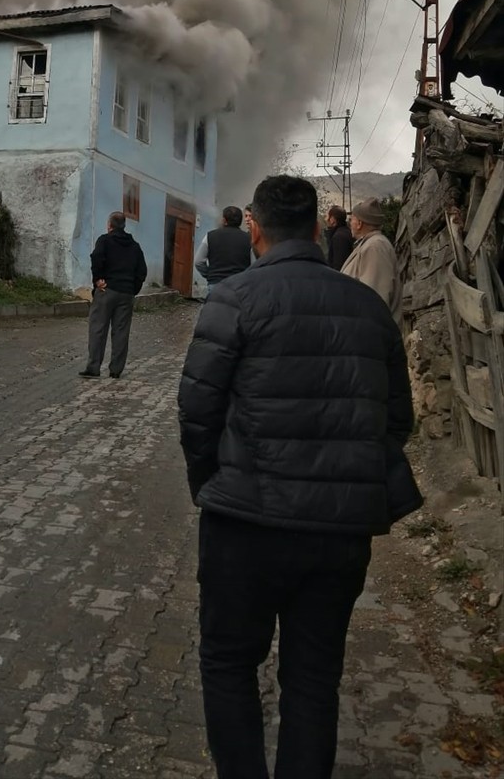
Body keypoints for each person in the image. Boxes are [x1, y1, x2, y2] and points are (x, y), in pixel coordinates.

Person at [178, 175, 421, 779]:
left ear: (254, 230)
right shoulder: (367, 307)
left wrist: (213, 487)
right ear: (318, 229)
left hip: (244, 527)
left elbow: (197, 414)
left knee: (229, 664)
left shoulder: (231, 302)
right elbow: (397, 420)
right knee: (314, 679)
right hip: (337, 536)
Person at [79, 212, 147, 379]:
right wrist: (133, 288)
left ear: (110, 225)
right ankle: (116, 370)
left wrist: (97, 280)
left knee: (98, 329)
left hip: (106, 291)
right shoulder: (135, 246)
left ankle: (94, 368)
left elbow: (96, 258)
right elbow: (142, 271)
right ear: (124, 225)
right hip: (126, 293)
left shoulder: (105, 241)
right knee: (121, 332)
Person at [342, 197, 403, 327]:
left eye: (351, 219)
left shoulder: (375, 247)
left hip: (371, 336)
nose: (349, 223)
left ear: (359, 223)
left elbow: (374, 297)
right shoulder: (369, 245)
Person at [194, 205, 251, 292]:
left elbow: (198, 261)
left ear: (224, 220)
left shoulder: (210, 236)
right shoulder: (248, 239)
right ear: (240, 221)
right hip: (239, 285)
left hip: (216, 284)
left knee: (215, 305)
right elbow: (254, 264)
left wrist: (209, 275)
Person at [325, 204, 354, 270]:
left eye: (327, 216)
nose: (325, 219)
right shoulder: (343, 233)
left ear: (332, 219)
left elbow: (338, 267)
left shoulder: (339, 237)